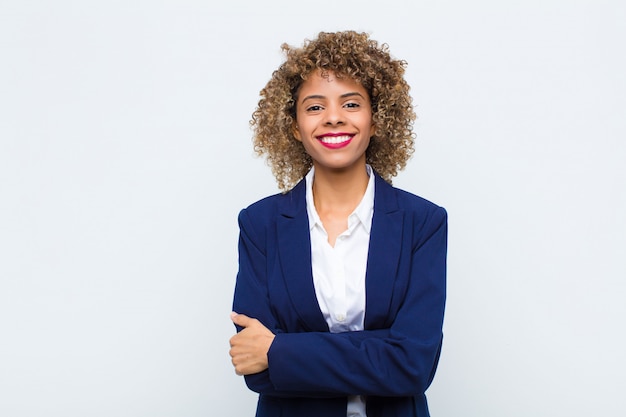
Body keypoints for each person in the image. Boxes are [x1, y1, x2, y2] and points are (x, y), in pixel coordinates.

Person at [228, 30, 447, 417]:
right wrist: (380, 352)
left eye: (351, 103)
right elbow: (254, 368)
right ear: (294, 125)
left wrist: (281, 352)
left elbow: (413, 364)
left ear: (377, 119)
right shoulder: (260, 224)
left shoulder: (423, 222)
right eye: (314, 107)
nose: (333, 118)